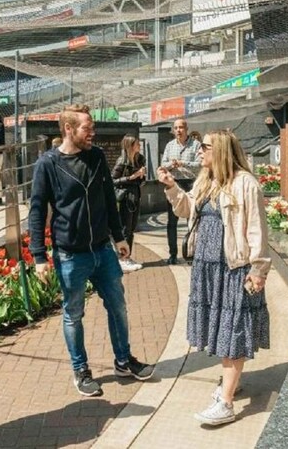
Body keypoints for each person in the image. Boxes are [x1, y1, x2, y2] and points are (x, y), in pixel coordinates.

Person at [28, 104, 155, 397]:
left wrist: (119, 237)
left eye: (93, 127)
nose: (92, 133)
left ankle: (124, 361)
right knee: (73, 314)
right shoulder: (48, 164)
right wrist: (38, 256)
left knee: (118, 306)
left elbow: (110, 199)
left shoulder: (96, 157)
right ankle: (81, 370)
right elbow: (37, 211)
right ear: (69, 129)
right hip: (70, 254)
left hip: (102, 250)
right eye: (87, 128)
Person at [157, 129, 271, 426]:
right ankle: (230, 383)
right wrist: (171, 187)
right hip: (207, 270)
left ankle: (226, 402)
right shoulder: (206, 181)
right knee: (221, 329)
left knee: (232, 330)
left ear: (219, 150)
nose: (198, 151)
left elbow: (258, 229)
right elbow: (186, 210)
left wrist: (258, 269)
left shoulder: (245, 184)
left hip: (233, 269)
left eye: (204, 147)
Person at [160, 118, 201, 264]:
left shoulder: (196, 145)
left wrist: (183, 163)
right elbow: (163, 164)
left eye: (181, 127)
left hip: (191, 184)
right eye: (176, 128)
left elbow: (199, 164)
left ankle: (191, 254)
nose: (178, 130)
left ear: (186, 129)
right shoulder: (170, 146)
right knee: (172, 222)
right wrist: (172, 164)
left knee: (192, 220)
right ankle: (172, 254)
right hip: (174, 184)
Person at [112, 135, 146, 273]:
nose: (139, 146)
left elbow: (142, 180)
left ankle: (127, 256)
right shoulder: (122, 161)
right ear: (130, 146)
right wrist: (131, 177)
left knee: (131, 229)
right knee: (125, 228)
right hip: (125, 197)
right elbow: (112, 180)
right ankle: (122, 258)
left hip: (135, 196)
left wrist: (142, 176)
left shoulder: (140, 159)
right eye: (137, 144)